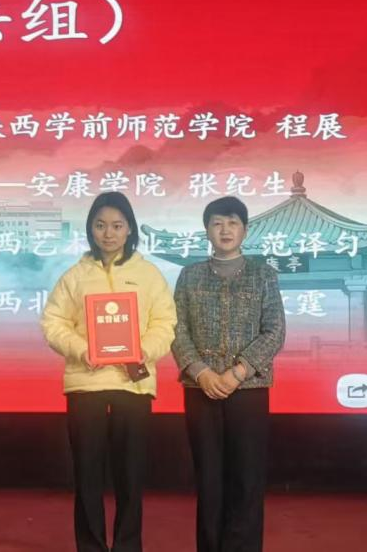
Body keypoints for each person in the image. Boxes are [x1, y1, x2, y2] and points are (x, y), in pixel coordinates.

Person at [40, 191, 177, 552]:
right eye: (100, 225)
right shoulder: (75, 276)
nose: (109, 233)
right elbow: (53, 322)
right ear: (90, 229)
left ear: (130, 228)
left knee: (131, 475)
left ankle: (128, 546)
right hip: (85, 384)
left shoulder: (148, 275)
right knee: (87, 475)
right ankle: (91, 546)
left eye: (117, 225)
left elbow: (165, 323)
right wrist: (83, 350)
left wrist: (142, 351)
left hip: (134, 384)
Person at [172, 196, 286, 552]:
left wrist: (239, 372)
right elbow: (177, 330)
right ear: (207, 230)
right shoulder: (189, 275)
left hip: (249, 389)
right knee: (208, 479)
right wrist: (201, 372)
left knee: (247, 479)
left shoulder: (263, 274)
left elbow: (275, 331)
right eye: (217, 223)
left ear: (245, 230)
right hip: (200, 389)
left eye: (233, 223)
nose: (225, 230)